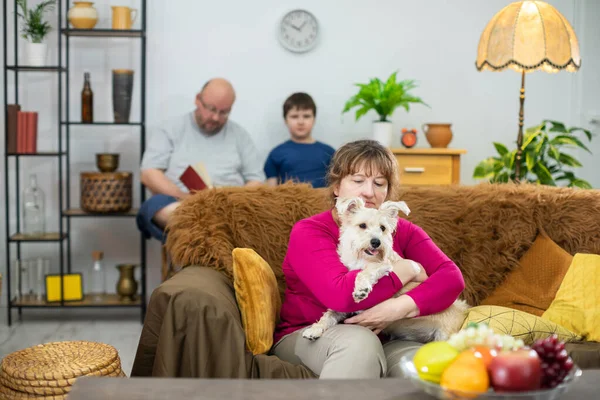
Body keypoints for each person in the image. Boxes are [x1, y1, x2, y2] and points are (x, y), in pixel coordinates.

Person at [270, 139, 465, 379]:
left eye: (379, 183)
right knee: (360, 345)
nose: (369, 192)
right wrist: (406, 270)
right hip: (311, 333)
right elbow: (341, 296)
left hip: (390, 337)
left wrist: (397, 308)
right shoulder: (310, 231)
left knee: (421, 369)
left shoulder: (400, 230)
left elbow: (452, 279)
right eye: (358, 180)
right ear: (336, 187)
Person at [137, 78, 265, 242]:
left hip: (228, 206)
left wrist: (229, 198)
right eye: (211, 109)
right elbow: (149, 174)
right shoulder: (170, 129)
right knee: (155, 206)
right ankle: (212, 233)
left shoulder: (240, 135)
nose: (216, 117)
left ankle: (209, 233)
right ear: (198, 100)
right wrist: (186, 198)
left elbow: (257, 180)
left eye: (224, 112)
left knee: (255, 212)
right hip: (180, 203)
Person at [264, 92, 335, 188]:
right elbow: (270, 192)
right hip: (288, 201)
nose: (300, 122)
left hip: (323, 201)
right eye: (294, 116)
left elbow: (337, 186)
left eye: (306, 116)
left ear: (314, 119)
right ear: (285, 120)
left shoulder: (329, 152)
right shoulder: (276, 153)